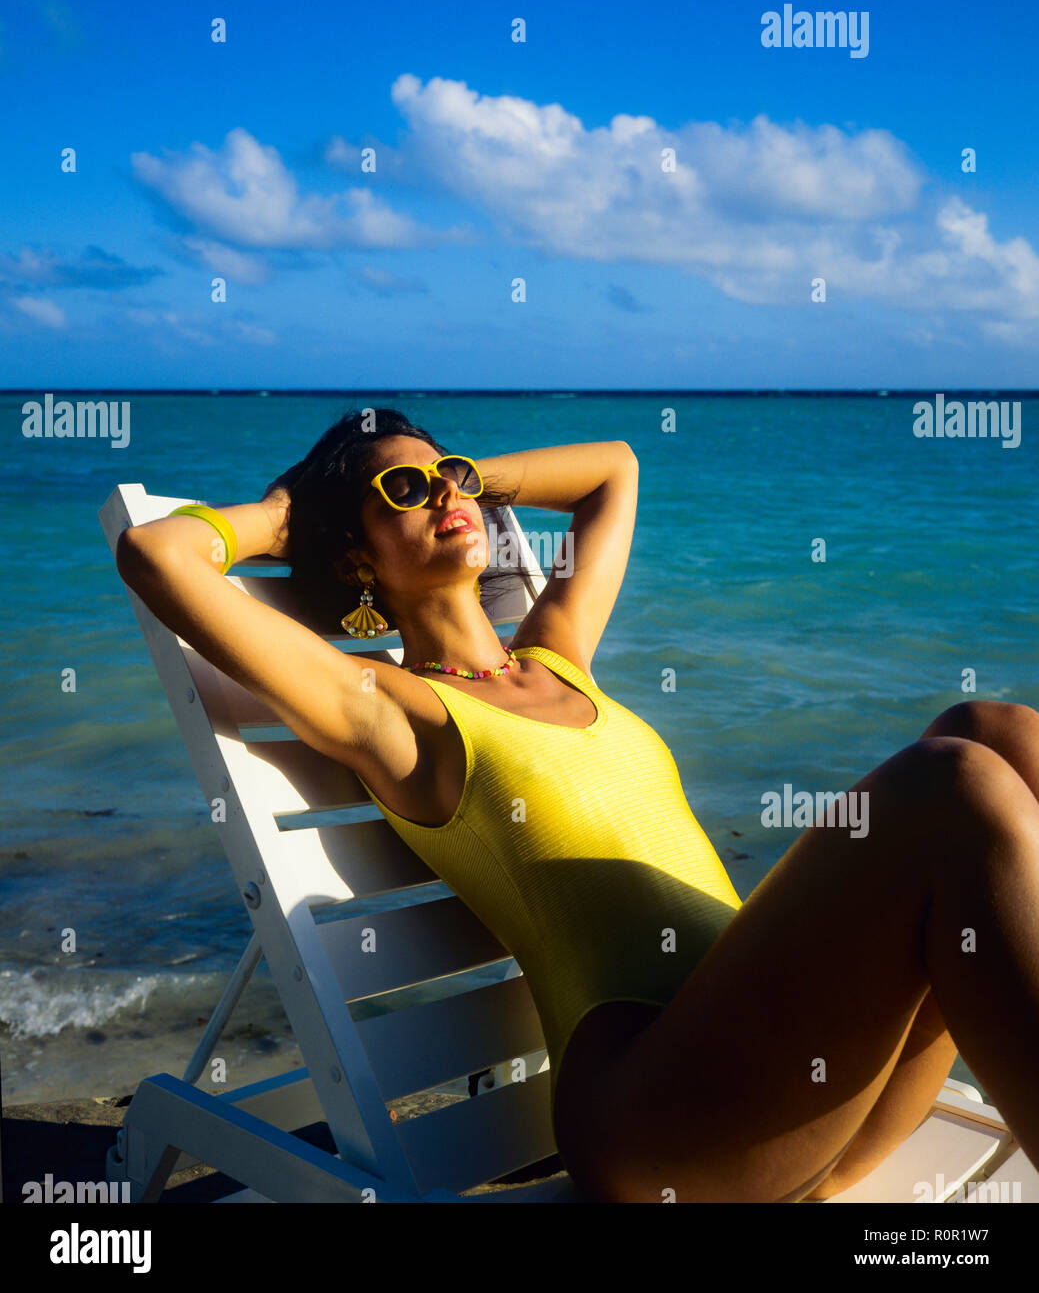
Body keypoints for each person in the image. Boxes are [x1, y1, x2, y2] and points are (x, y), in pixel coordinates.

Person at [116, 407, 1039, 1203]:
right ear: (355, 552)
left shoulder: (555, 654)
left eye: (452, 479)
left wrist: (465, 475)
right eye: (404, 491)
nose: (445, 497)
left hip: (791, 1082)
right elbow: (159, 553)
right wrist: (288, 514)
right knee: (949, 780)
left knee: (998, 730)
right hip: (661, 1120)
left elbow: (613, 470)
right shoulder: (390, 713)